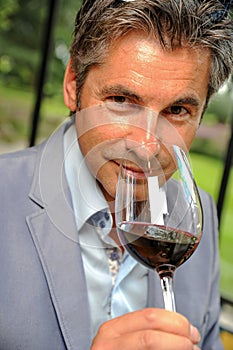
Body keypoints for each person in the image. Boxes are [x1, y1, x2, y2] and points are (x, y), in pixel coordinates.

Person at [1, 0, 233, 349]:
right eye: (122, 100)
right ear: (72, 85)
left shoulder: (198, 215)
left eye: (177, 110)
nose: (146, 145)